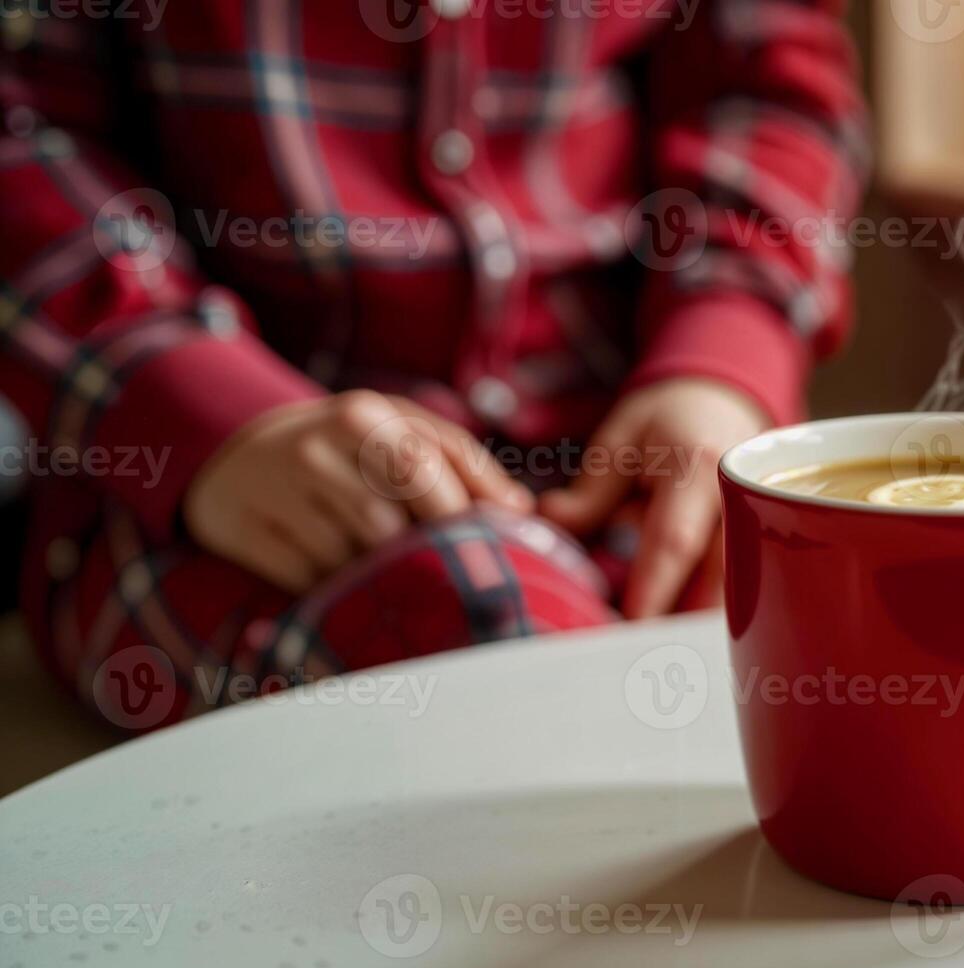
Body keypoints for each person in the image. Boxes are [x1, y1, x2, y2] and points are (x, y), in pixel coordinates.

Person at [0, 0, 866, 730]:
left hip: (631, 475)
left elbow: (766, 88)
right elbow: (23, 124)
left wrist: (717, 358)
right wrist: (200, 405)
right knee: (501, 655)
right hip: (217, 505)